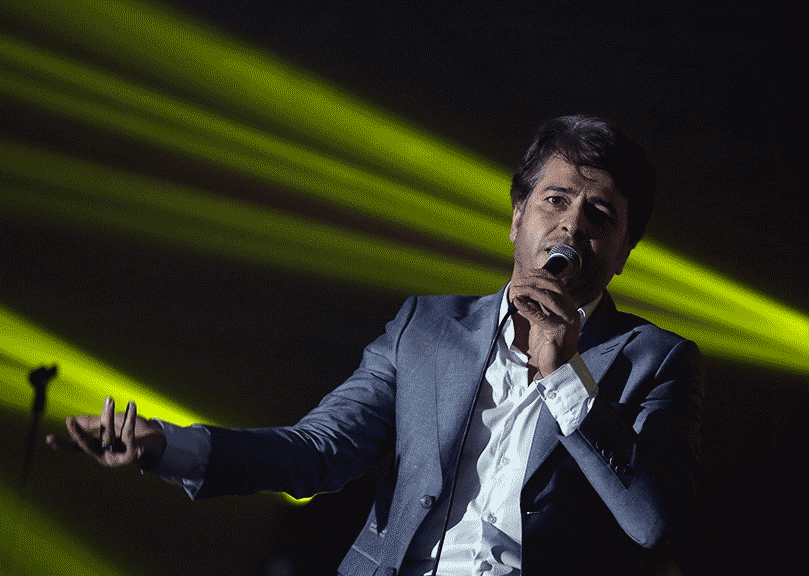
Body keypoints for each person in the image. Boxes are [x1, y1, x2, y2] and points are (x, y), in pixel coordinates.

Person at [49, 115, 703, 575]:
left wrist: (565, 375)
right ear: (516, 218)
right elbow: (317, 451)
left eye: (599, 216)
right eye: (555, 200)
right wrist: (168, 445)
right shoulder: (428, 328)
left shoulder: (656, 359)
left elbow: (653, 523)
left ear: (623, 253)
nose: (571, 225)